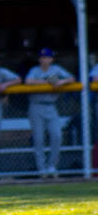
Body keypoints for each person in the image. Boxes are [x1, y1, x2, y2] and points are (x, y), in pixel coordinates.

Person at [25, 48, 74, 177]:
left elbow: (72, 79)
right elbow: (28, 81)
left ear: (51, 59)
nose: (45, 60)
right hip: (36, 106)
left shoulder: (56, 69)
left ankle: (52, 166)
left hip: (51, 106)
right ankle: (42, 169)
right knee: (39, 139)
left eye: (47, 57)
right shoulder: (35, 70)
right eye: (42, 57)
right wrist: (47, 82)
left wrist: (61, 81)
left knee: (57, 136)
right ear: (39, 59)